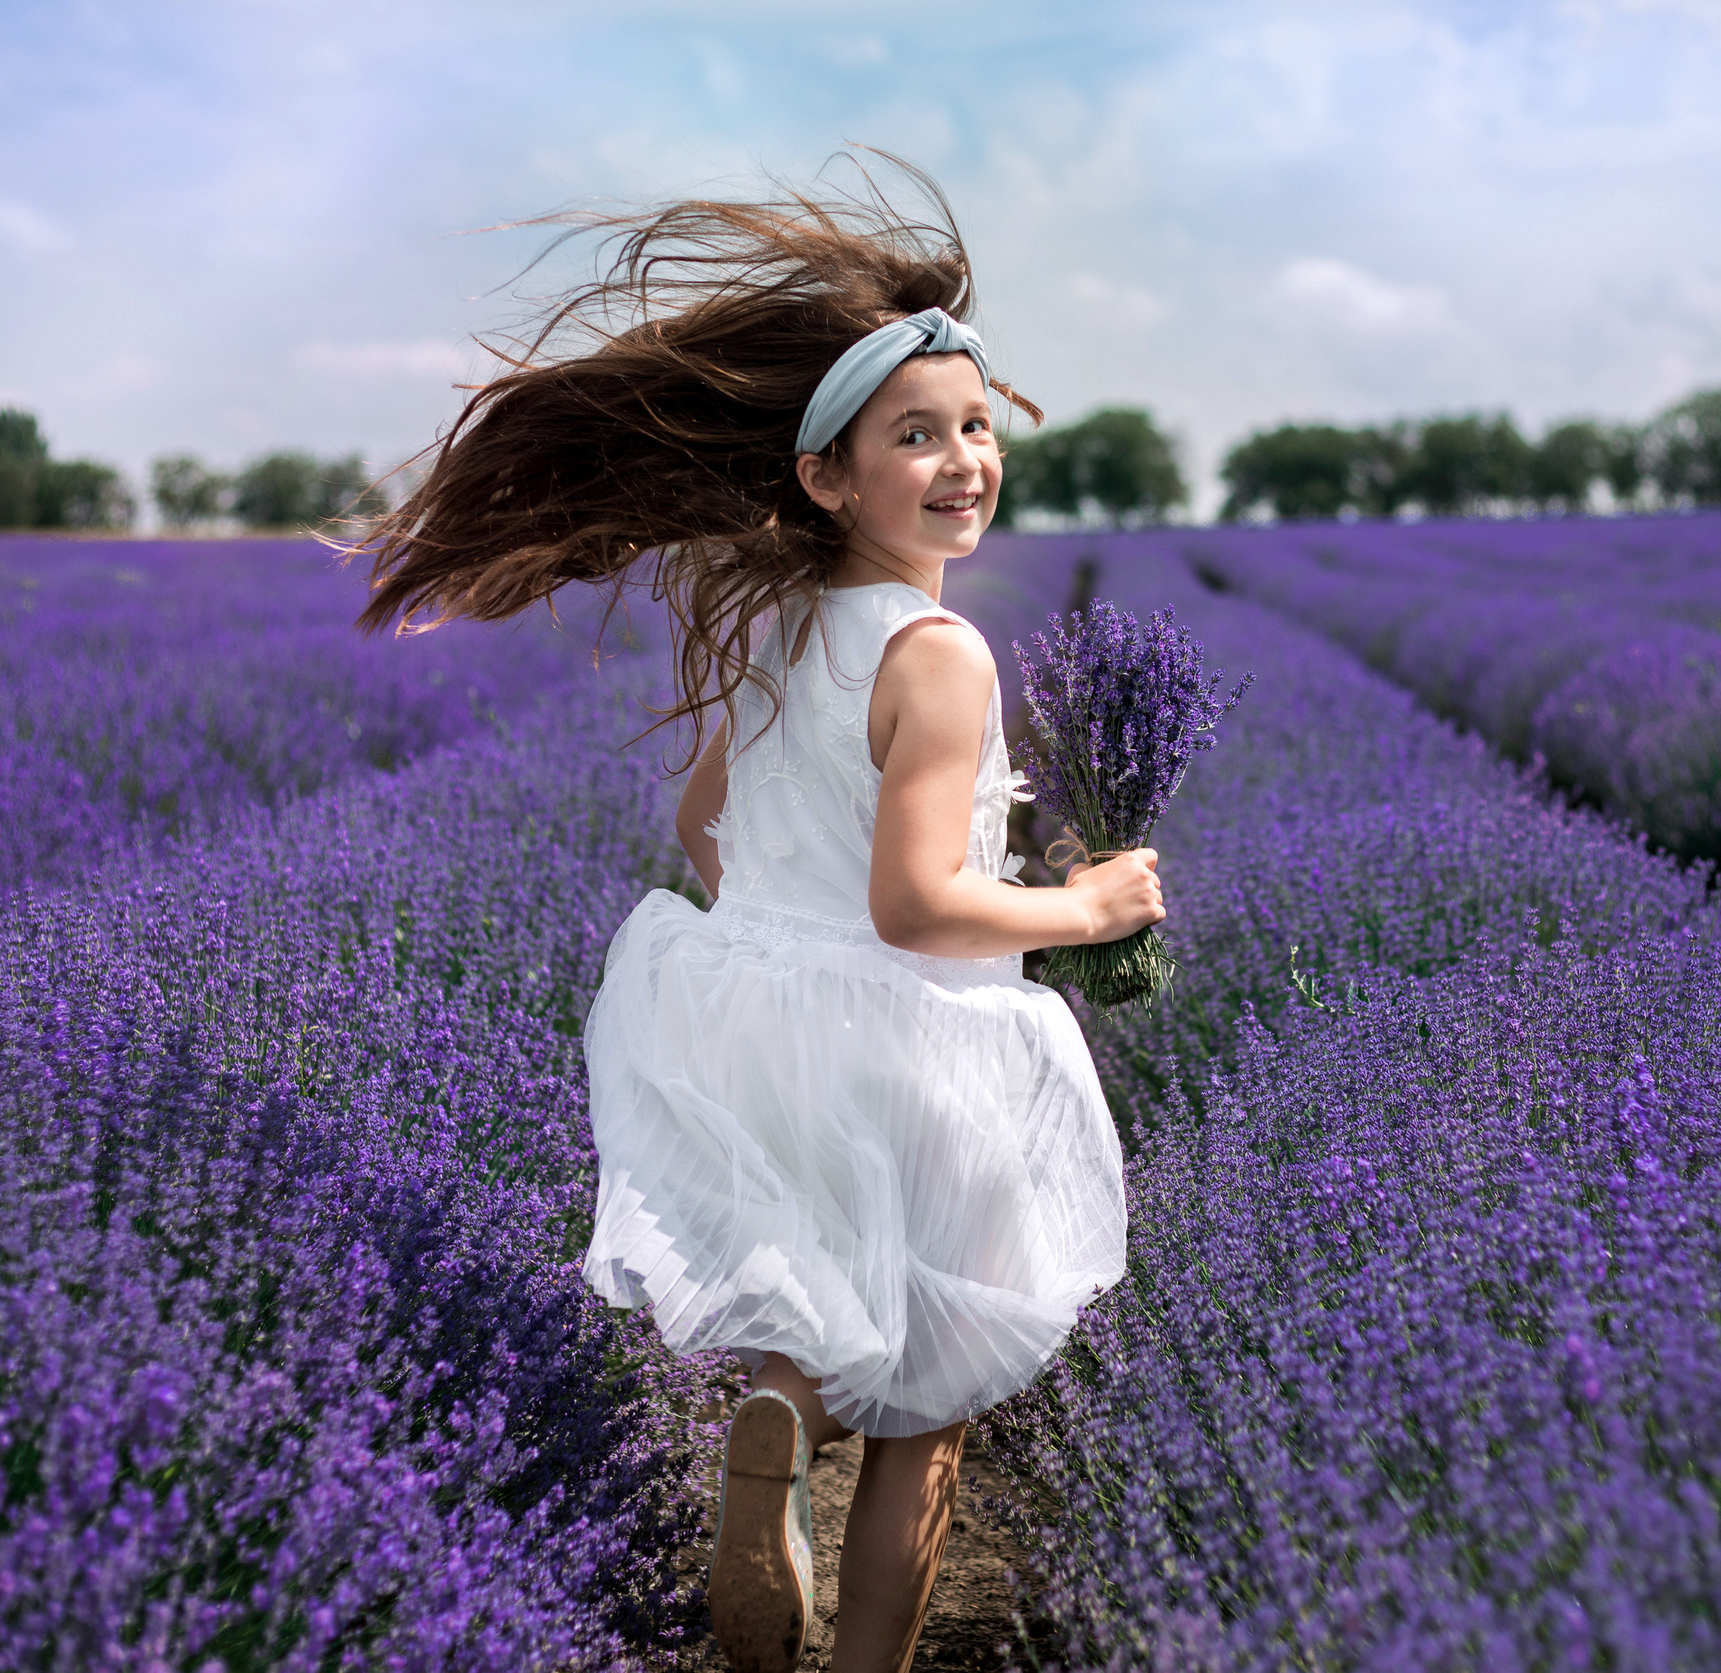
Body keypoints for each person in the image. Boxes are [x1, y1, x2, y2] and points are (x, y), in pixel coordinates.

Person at [343, 163, 1151, 1673]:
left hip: (768, 1017)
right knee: (933, 1406)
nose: (964, 458)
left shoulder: (778, 622)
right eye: (918, 435)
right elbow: (916, 904)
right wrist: (1084, 905)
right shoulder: (943, 653)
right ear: (830, 476)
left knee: (839, 1313)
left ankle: (778, 1406)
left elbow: (701, 826)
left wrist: (785, 931)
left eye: (975, 426)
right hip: (927, 1045)